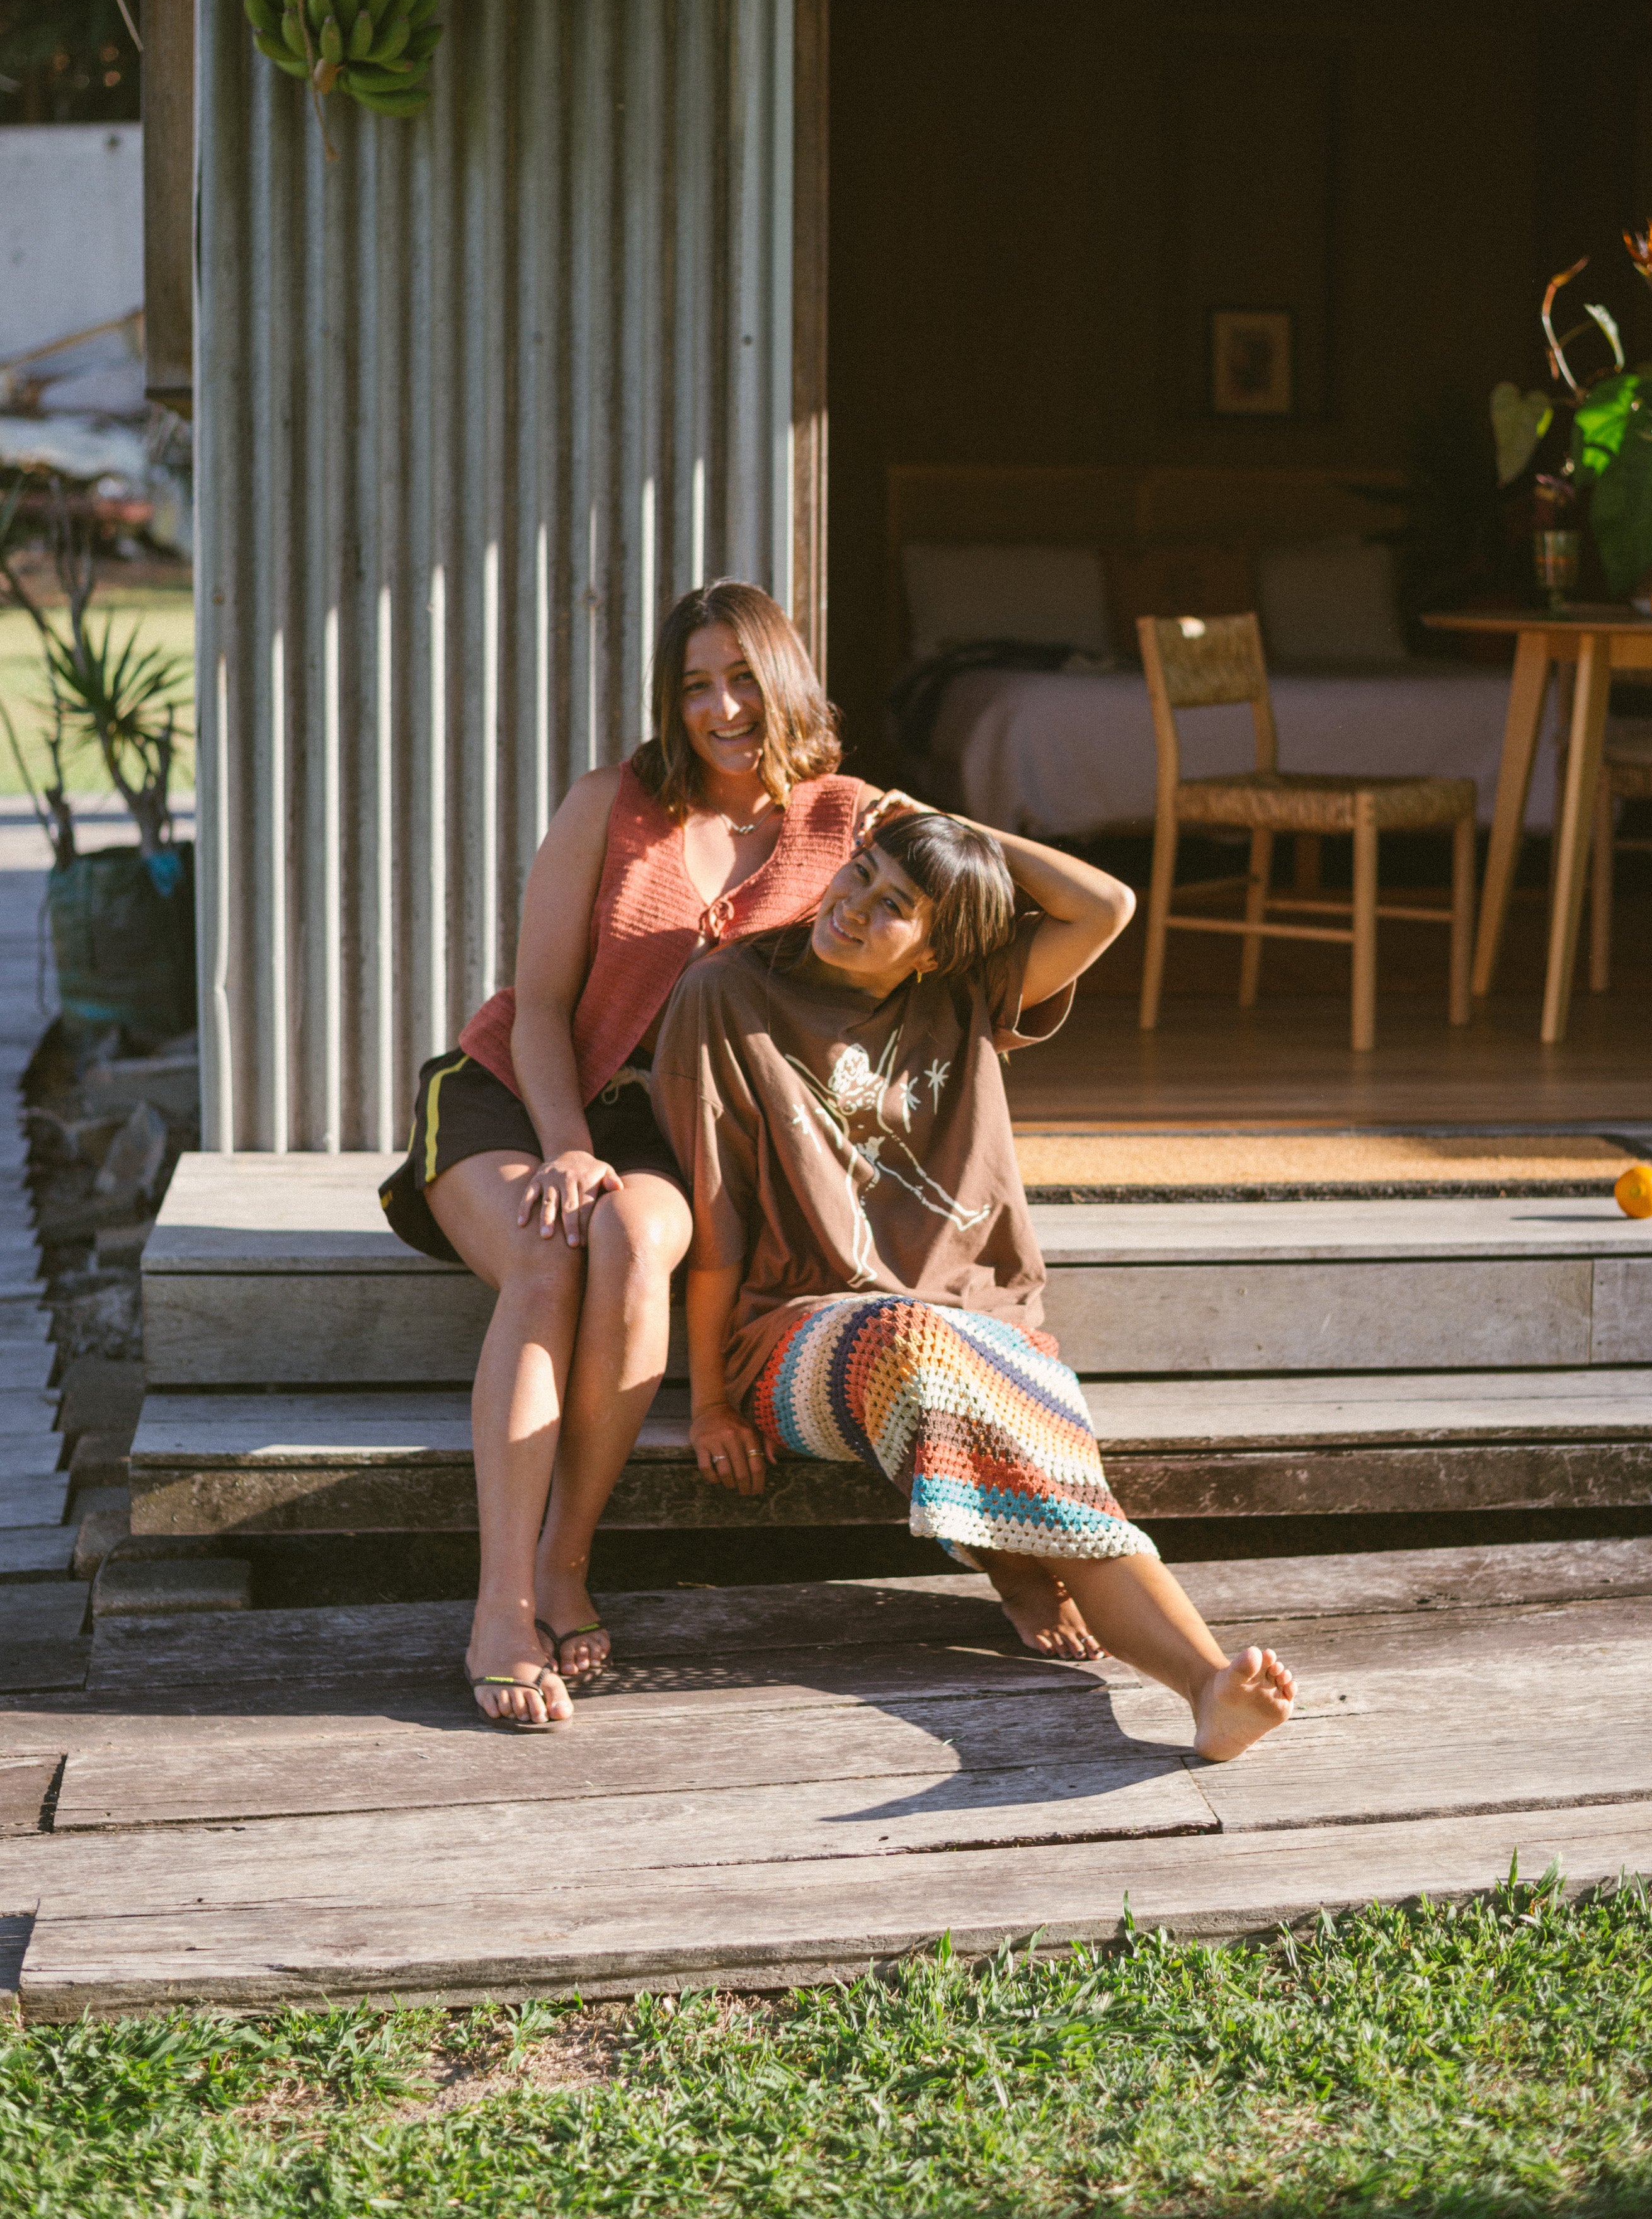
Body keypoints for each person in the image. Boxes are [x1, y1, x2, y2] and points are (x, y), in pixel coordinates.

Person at [651, 807, 1297, 1762]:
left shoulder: (965, 992)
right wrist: (710, 1402)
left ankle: (1178, 1666)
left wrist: (950, 824)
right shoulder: (725, 993)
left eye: (896, 905)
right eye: (860, 872)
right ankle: (1084, 1603)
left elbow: (1107, 905)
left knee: (961, 1359)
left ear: (936, 952)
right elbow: (717, 1224)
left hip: (981, 1324)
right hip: (800, 1331)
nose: (854, 906)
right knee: (915, 1343)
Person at [379, 583, 869, 1728]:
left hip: (668, 1131)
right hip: (519, 1094)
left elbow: (966, 893)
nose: (722, 708)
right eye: (695, 685)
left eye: (742, 678)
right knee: (551, 1252)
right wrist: (565, 1145)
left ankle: (568, 1561)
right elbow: (542, 1007)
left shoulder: (844, 820)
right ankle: (503, 1606)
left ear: (785, 681)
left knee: (640, 1239)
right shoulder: (612, 801)